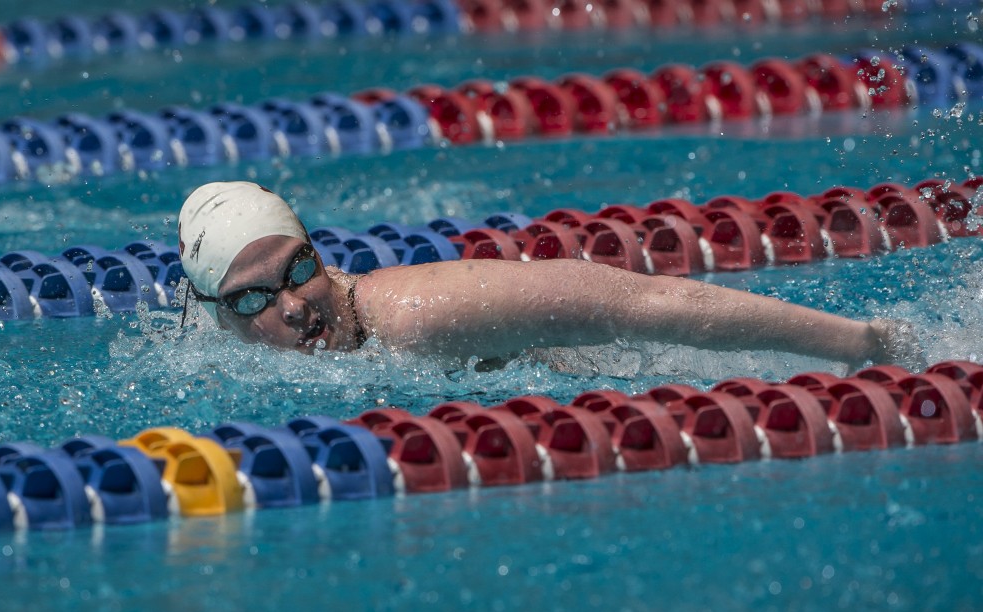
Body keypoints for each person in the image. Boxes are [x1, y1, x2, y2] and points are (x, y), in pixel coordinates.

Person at [177, 181, 918, 369]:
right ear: (220, 318)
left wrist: (864, 341)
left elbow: (643, 302)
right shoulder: (204, 357)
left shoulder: (419, 314)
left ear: (319, 249)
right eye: (254, 297)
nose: (297, 305)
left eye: (299, 268)